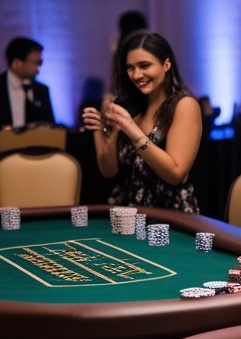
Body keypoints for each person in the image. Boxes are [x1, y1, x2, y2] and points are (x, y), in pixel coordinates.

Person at [81, 32, 201, 212]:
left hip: (169, 217)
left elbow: (175, 174)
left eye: (144, 65)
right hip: (126, 213)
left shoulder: (184, 105)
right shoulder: (129, 105)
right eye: (130, 68)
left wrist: (131, 129)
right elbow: (109, 171)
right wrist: (101, 131)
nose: (137, 75)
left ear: (166, 64)